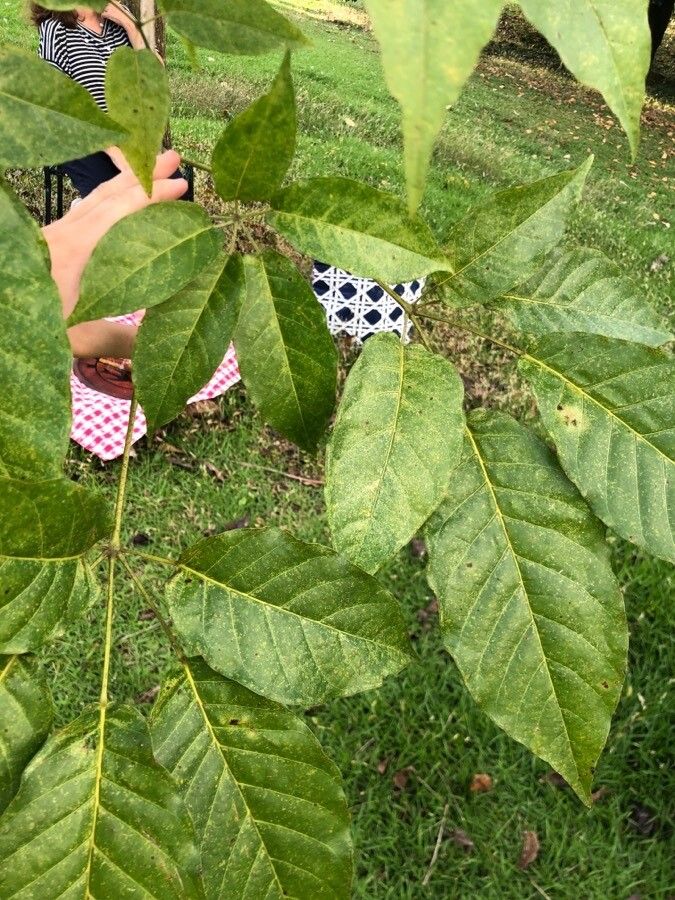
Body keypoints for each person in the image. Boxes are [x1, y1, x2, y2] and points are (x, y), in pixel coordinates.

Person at [43, 150, 188, 358]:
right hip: (86, 137)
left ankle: (153, 295)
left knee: (171, 186)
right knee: (119, 202)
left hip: (124, 135)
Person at [31, 3, 181, 197]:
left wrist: (130, 25)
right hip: (82, 137)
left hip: (127, 136)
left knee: (176, 189)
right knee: (121, 198)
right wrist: (114, 150)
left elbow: (155, 78)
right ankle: (84, 213)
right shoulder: (56, 29)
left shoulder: (117, 24)